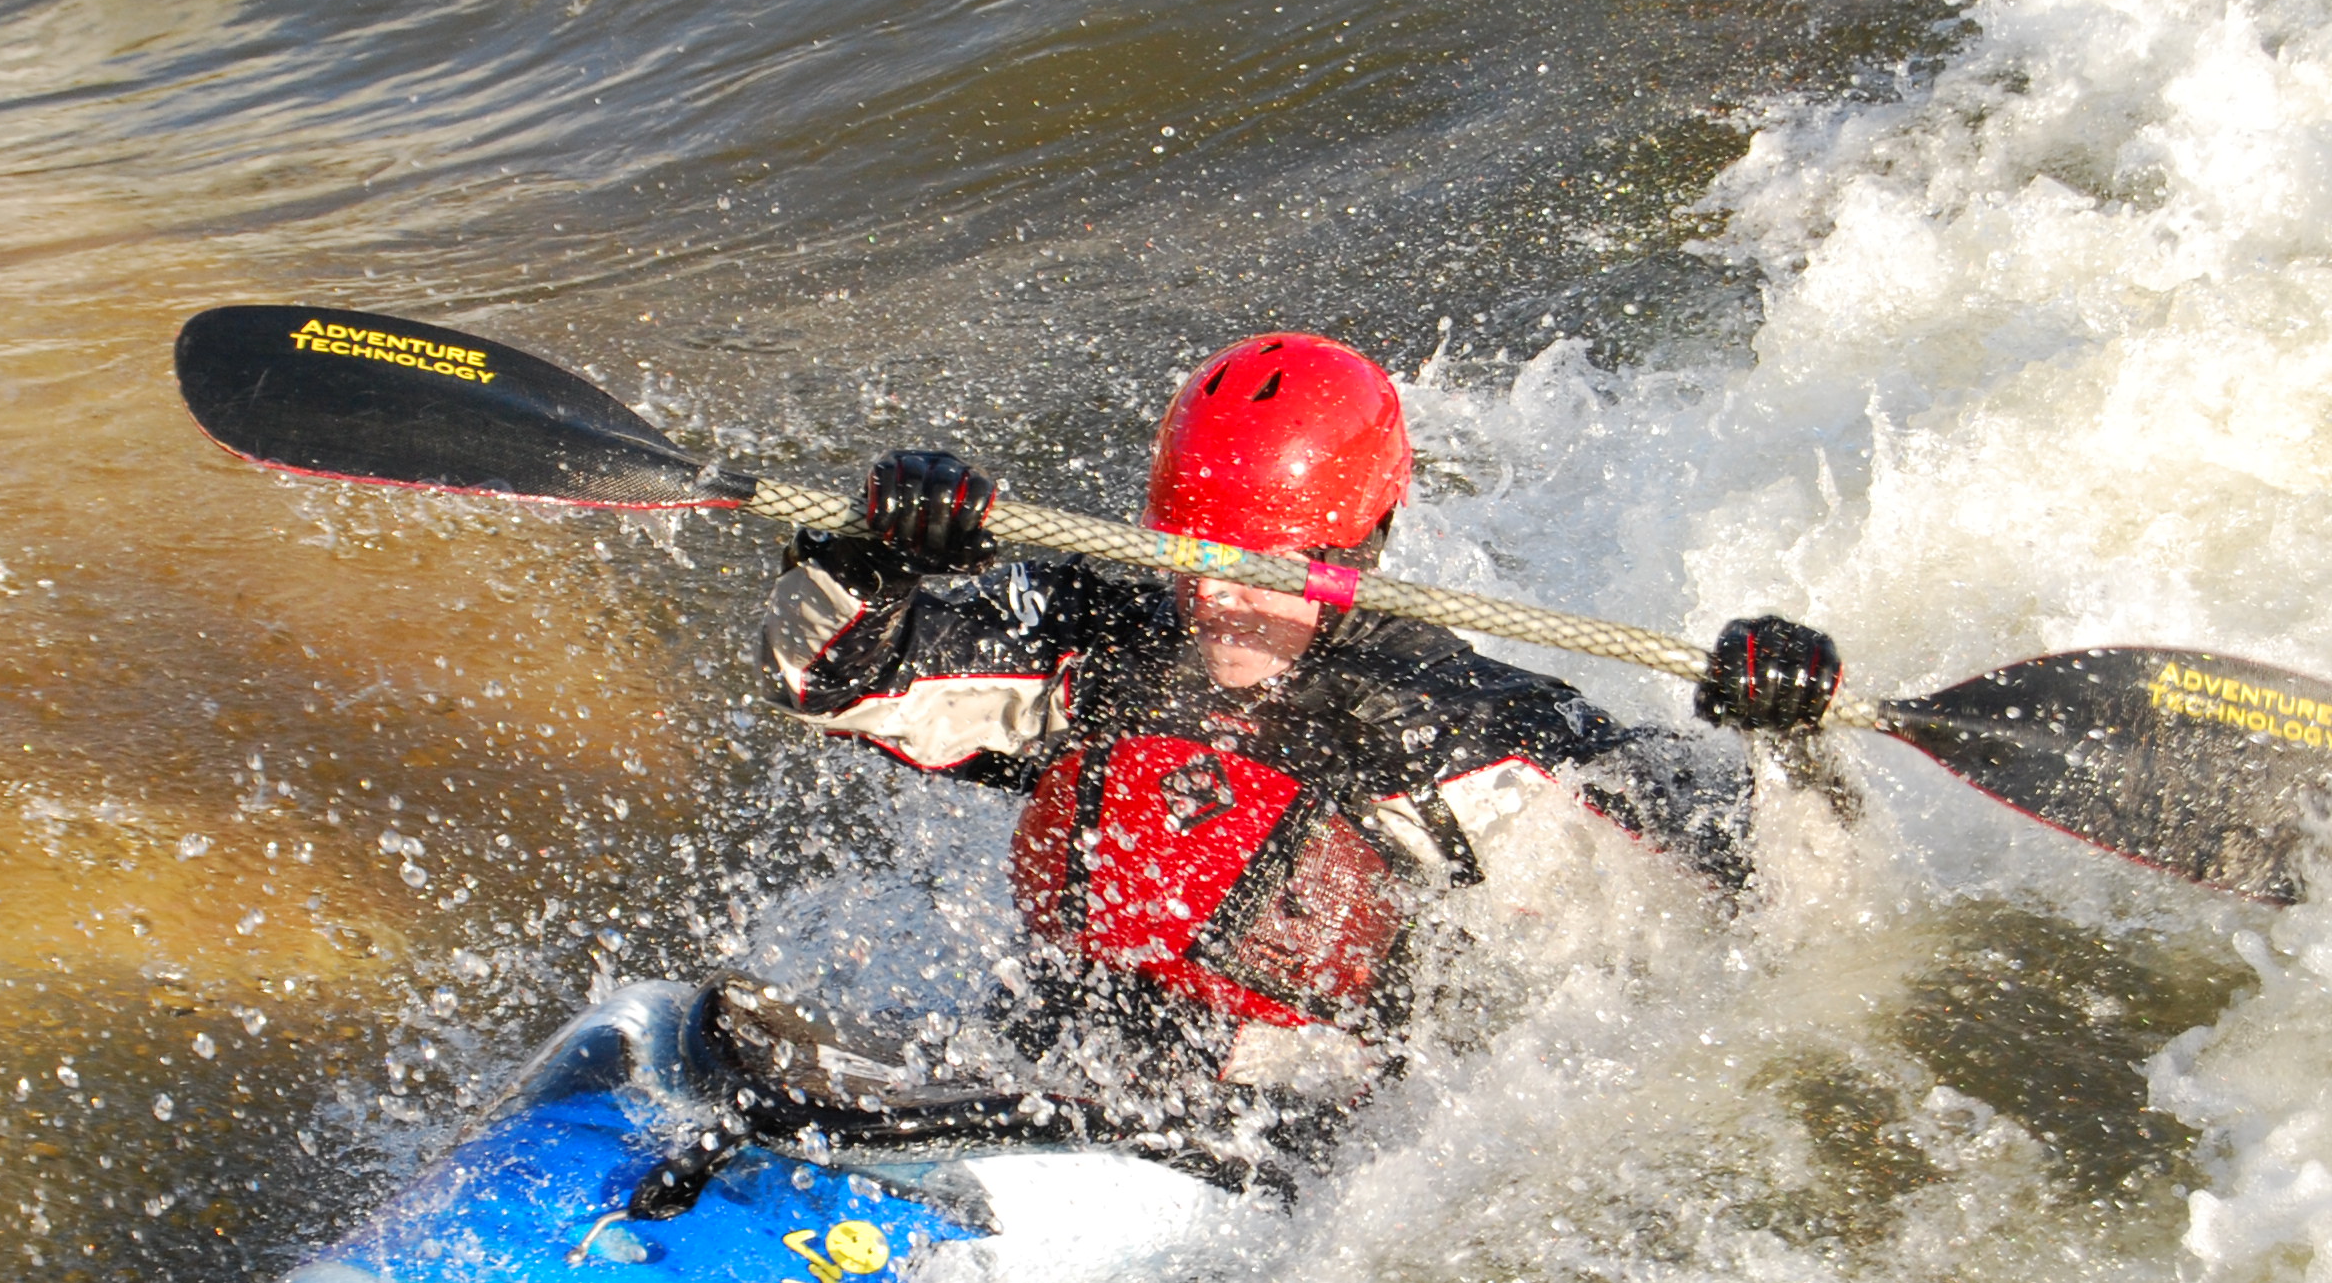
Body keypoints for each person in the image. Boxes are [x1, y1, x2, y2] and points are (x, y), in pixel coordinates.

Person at [758, 330, 1841, 1128]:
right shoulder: (1097, 642)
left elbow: (1788, 908)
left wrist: (1785, 742)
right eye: (1195, 558)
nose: (1224, 601)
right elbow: (822, 683)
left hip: (1285, 1142)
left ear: (1361, 548)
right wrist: (877, 562)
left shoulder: (1454, 728)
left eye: (1271, 572)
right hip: (1037, 1074)